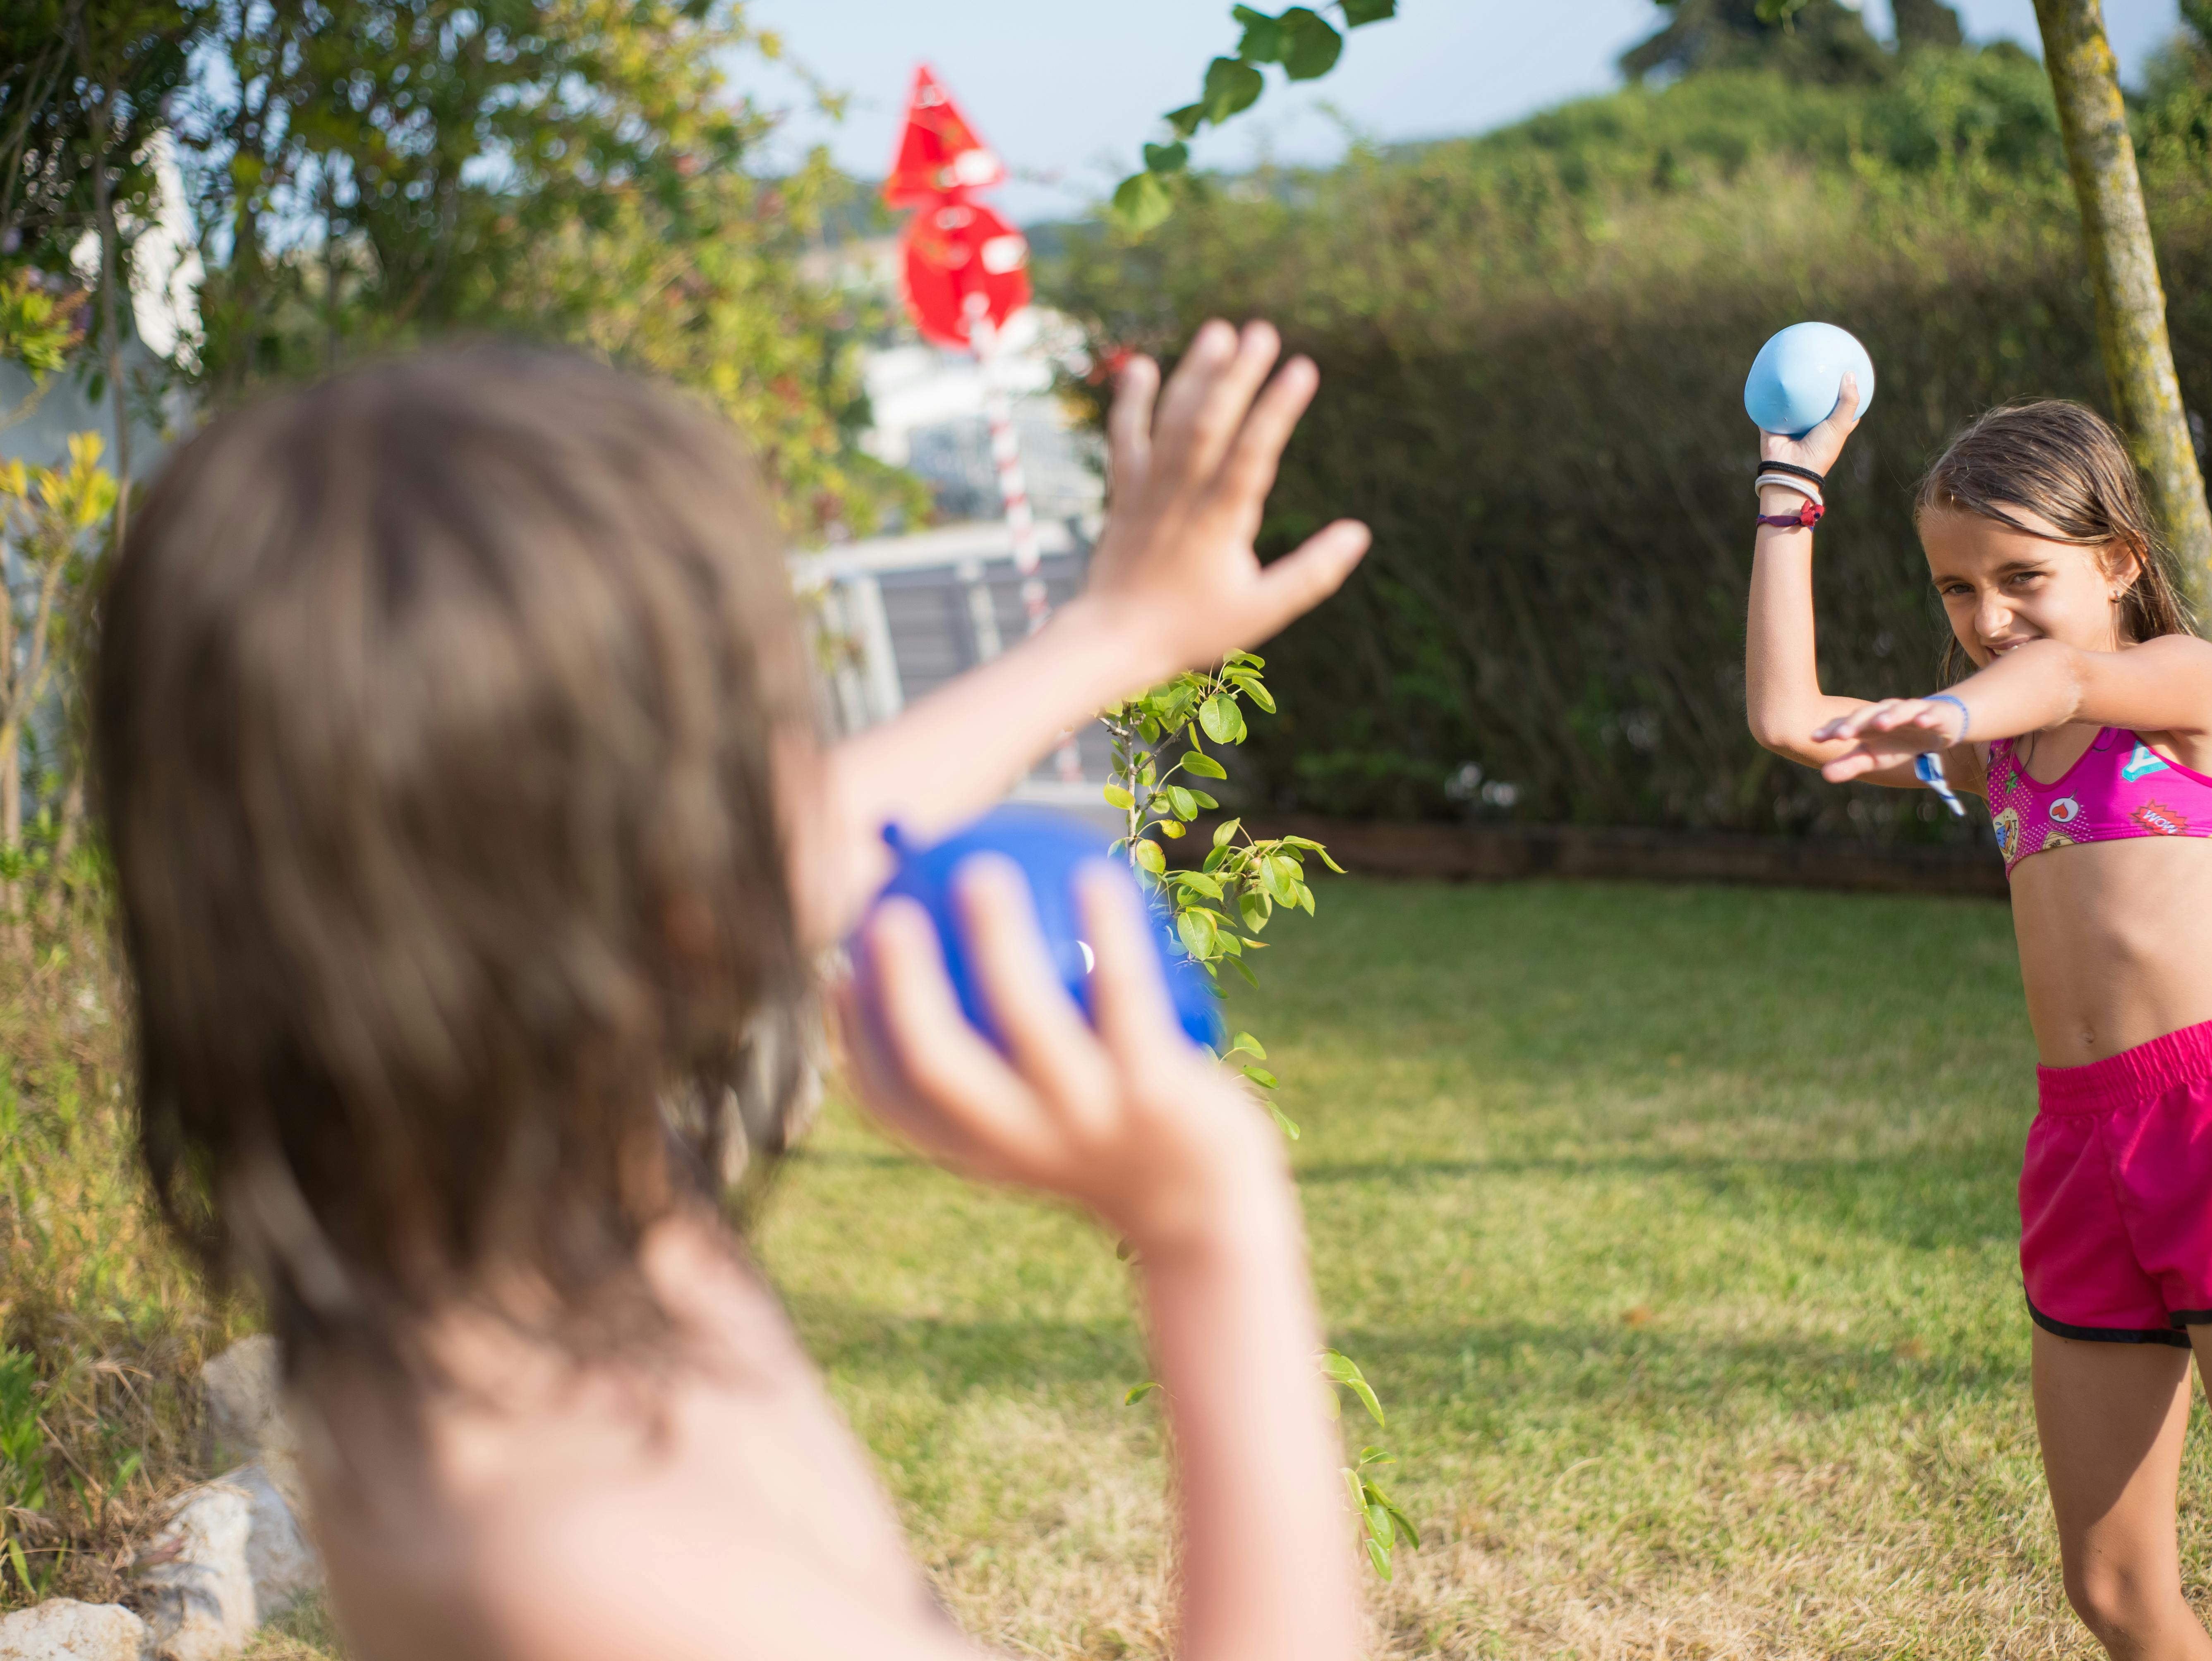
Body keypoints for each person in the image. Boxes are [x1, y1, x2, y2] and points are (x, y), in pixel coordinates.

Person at [93, 324, 1369, 1661]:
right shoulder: (601, 1574)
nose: (794, 800)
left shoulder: (432, 1195)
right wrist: (1209, 1228)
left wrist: (1122, 632)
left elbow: (805, 839)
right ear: (657, 899)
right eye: (751, 741)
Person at [1742, 390, 2212, 1661]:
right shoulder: (2003, 746)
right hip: (2079, 1148)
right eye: (1954, 589)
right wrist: (1787, 491)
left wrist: (1947, 711)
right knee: (2113, 1590)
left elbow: (2069, 672)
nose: (1985, 617)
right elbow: (1789, 719)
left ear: (2119, 561)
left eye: (2022, 576)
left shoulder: (2188, 690)